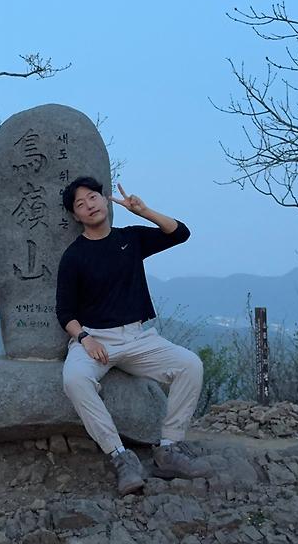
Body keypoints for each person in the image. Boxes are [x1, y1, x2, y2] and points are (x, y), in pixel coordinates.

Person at [55, 175, 209, 496]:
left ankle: (169, 449)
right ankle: (120, 456)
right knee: (74, 379)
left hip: (137, 338)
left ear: (104, 199)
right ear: (76, 215)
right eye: (80, 204)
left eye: (93, 197)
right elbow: (65, 313)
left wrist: (144, 211)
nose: (89, 206)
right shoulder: (74, 256)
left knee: (190, 365)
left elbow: (180, 234)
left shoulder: (130, 238)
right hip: (95, 340)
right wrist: (85, 339)